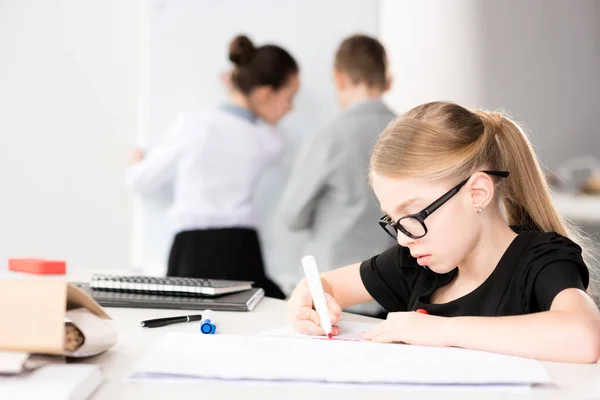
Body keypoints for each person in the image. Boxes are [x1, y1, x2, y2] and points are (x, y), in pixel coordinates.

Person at [287, 101, 600, 363]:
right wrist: (309, 297)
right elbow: (324, 285)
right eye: (394, 220)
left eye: (412, 215)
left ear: (477, 193)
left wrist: (439, 331)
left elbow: (584, 336)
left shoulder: (541, 260)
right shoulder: (415, 264)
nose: (403, 238)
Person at [127, 35, 300, 299]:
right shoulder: (268, 141)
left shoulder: (193, 124)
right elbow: (266, 136)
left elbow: (139, 181)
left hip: (192, 249)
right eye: (289, 97)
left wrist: (135, 164)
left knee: (187, 329)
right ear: (265, 94)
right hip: (241, 249)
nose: (291, 108)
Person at [278, 34, 396, 290]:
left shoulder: (329, 136)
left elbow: (291, 216)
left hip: (332, 286)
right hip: (390, 285)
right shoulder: (408, 132)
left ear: (339, 78)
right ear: (387, 81)